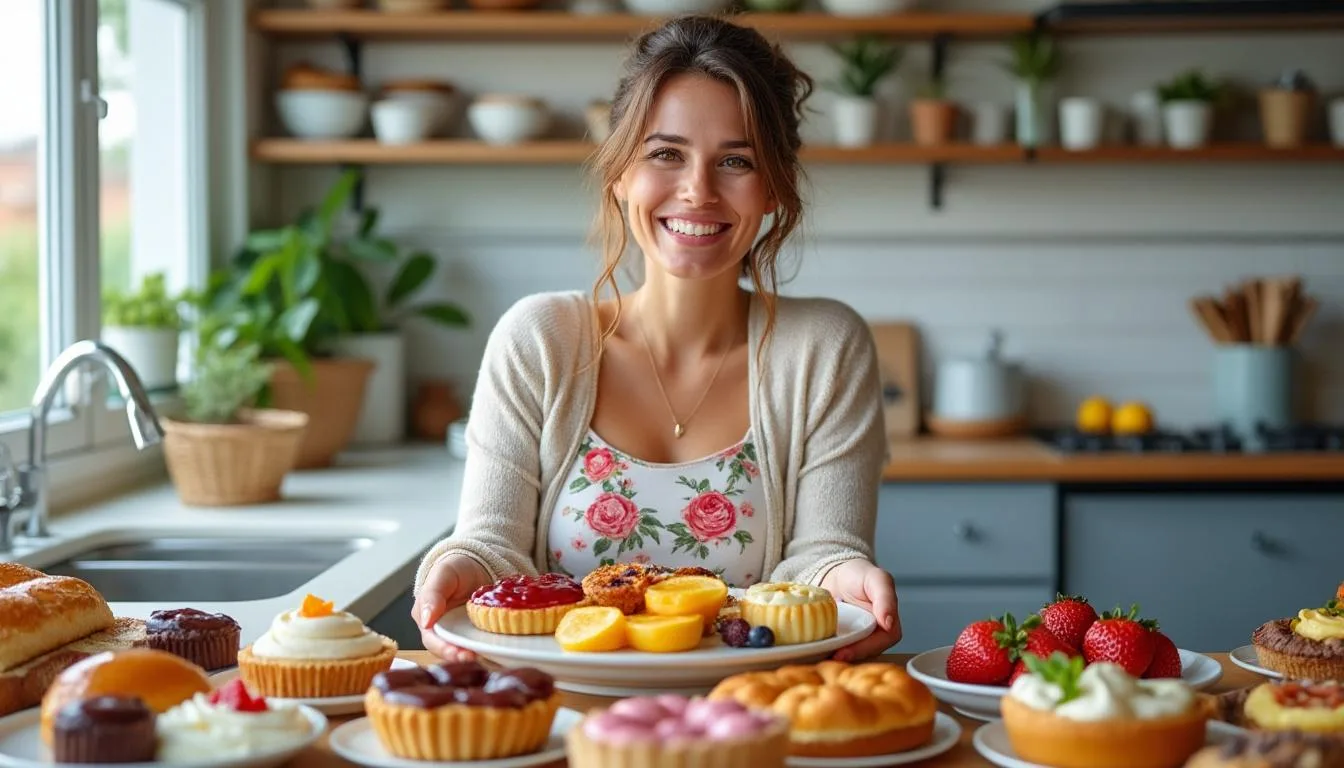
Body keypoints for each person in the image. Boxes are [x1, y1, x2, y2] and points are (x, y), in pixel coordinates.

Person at [412, 15, 901, 663]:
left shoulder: (825, 347)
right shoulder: (539, 340)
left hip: (752, 718)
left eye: (735, 160)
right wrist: (460, 566)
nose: (697, 190)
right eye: (665, 153)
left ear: (775, 189)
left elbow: (818, 557)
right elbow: (494, 545)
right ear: (619, 174)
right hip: (565, 716)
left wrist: (845, 577)